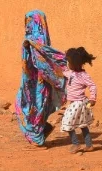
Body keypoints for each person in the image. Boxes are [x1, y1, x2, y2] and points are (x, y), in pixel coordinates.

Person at [14, 10, 67, 146]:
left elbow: (42, 62)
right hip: (30, 82)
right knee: (28, 106)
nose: (26, 25)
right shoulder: (35, 41)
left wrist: (30, 46)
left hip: (38, 83)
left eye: (29, 21)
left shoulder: (36, 42)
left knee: (33, 107)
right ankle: (43, 130)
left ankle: (38, 140)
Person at [61, 47, 98, 153]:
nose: (68, 64)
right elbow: (62, 72)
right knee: (83, 124)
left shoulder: (83, 75)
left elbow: (92, 86)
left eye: (69, 62)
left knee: (67, 122)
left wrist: (92, 98)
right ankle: (89, 145)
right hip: (75, 103)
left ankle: (76, 144)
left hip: (79, 103)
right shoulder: (71, 72)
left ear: (75, 63)